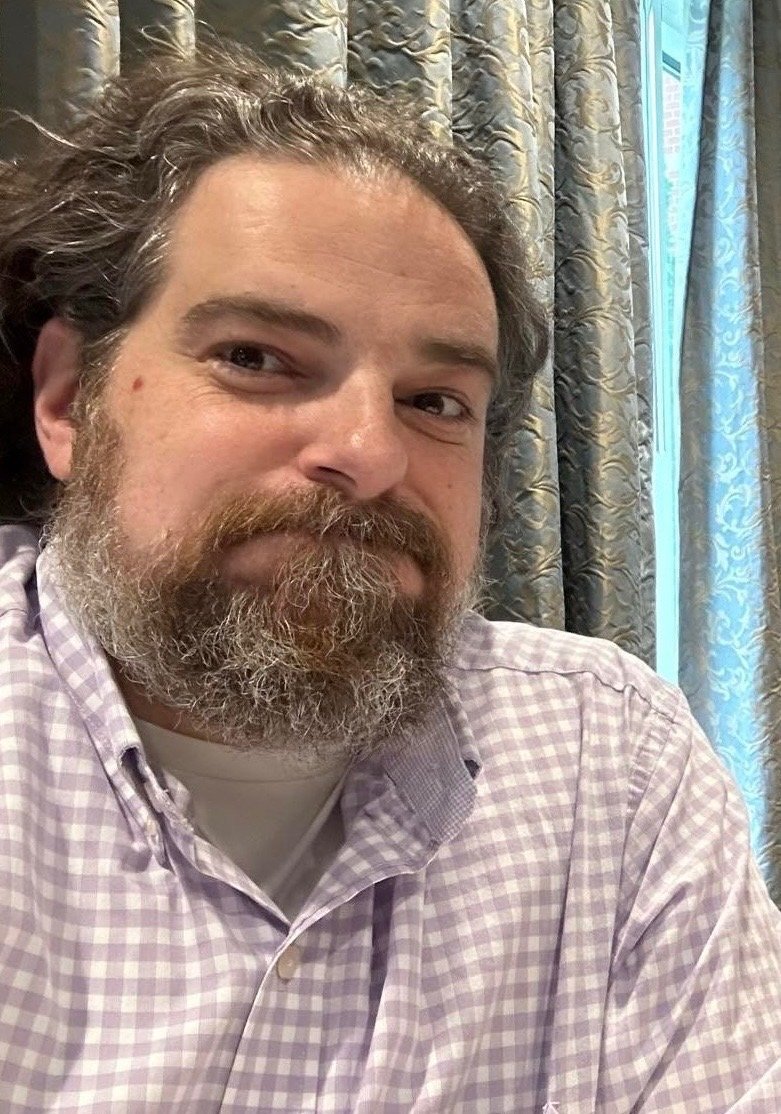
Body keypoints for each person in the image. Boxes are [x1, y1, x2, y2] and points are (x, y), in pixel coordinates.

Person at [0, 36, 778, 1114]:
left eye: (434, 401)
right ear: (66, 401)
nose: (368, 453)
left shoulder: (614, 764)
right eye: (257, 358)